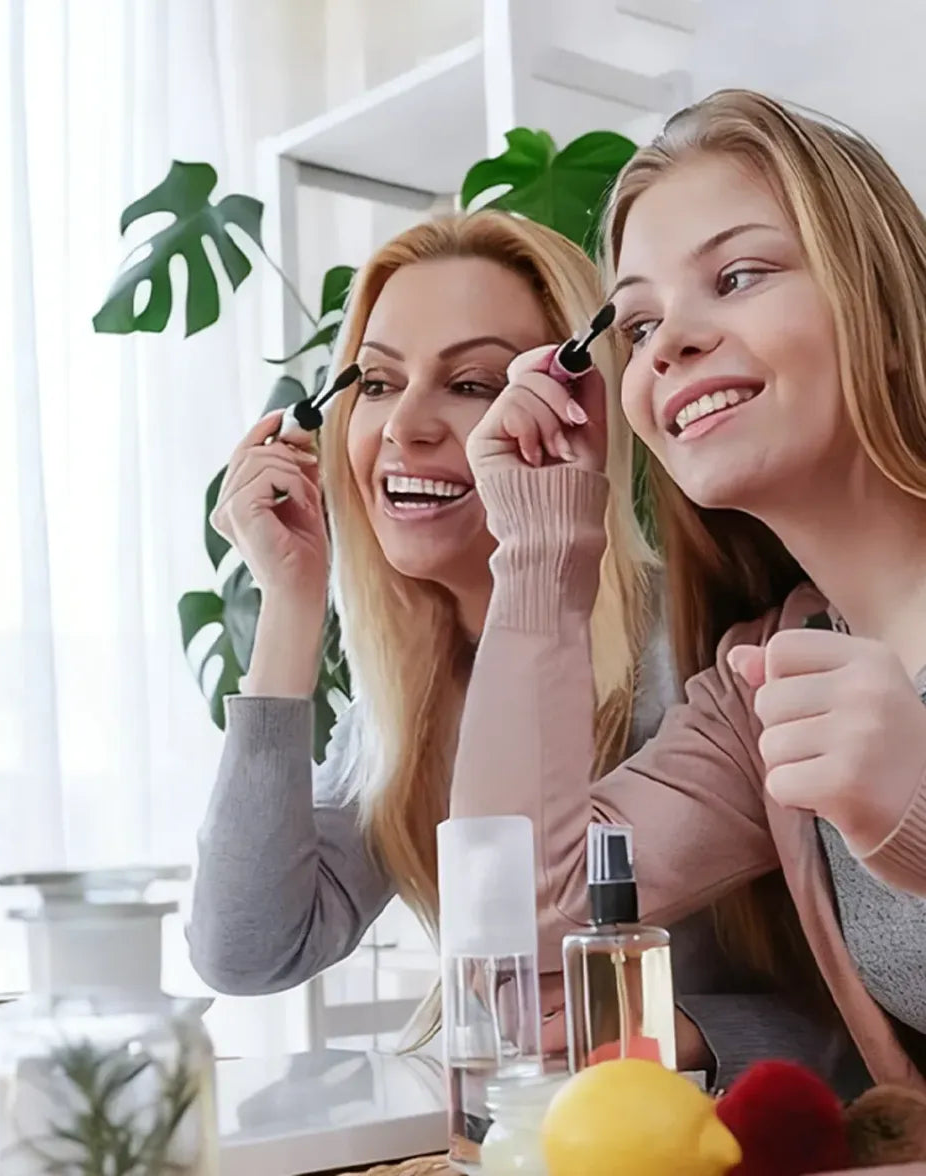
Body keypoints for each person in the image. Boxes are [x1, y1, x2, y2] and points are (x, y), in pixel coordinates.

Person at [186, 209, 840, 1089]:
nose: (405, 426)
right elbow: (246, 950)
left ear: (580, 403)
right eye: (376, 383)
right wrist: (292, 604)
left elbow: (874, 1009)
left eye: (473, 384)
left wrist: (674, 1029)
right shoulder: (407, 697)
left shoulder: (695, 651)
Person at [452, 88, 926, 1095]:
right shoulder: (764, 681)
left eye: (740, 275)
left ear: (888, 313)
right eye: (636, 323)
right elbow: (523, 940)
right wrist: (542, 551)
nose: (668, 343)